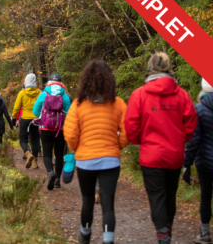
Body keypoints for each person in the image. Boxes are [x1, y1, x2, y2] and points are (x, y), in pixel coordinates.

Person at [125, 52, 197, 244]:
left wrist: (143, 141)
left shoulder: (139, 95)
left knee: (157, 196)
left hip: (151, 156)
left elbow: (131, 127)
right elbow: (191, 125)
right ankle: (168, 230)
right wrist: (180, 140)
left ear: (150, 69)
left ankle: (162, 233)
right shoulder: (182, 95)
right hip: (174, 154)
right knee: (170, 194)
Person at [63, 60, 129, 244]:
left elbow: (70, 134)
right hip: (111, 160)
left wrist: (79, 149)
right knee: (108, 202)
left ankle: (85, 234)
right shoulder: (118, 104)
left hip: (85, 160)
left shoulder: (78, 105)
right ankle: (108, 240)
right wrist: (115, 146)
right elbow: (127, 132)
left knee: (87, 199)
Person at [182, 78, 213, 244]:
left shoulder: (200, 110)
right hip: (204, 162)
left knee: (206, 197)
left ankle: (205, 233)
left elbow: (193, 141)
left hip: (206, 163)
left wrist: (187, 164)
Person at [33, 73, 71, 190]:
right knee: (59, 154)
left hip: (45, 128)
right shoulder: (65, 96)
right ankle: (58, 180)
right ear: (61, 83)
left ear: (49, 82)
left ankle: (50, 173)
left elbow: (35, 111)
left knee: (47, 153)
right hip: (60, 129)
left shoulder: (43, 94)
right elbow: (70, 114)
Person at [12, 73, 41, 169]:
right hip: (36, 119)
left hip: (25, 119)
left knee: (23, 139)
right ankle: (35, 163)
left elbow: (16, 108)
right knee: (35, 140)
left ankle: (28, 154)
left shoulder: (22, 93)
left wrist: (13, 118)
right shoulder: (39, 93)